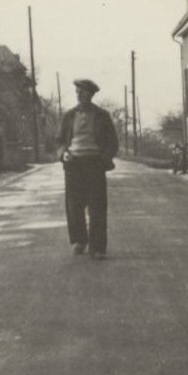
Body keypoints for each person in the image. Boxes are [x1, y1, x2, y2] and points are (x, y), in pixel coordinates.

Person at [55, 79, 119, 260]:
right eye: (77, 92)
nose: (79, 95)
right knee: (74, 206)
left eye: (82, 92)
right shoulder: (69, 116)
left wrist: (104, 158)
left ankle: (97, 248)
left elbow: (112, 142)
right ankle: (79, 240)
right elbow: (59, 140)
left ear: (90, 94)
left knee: (97, 206)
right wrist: (63, 153)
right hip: (74, 164)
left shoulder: (102, 116)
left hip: (94, 164)